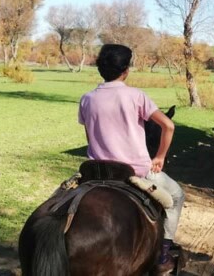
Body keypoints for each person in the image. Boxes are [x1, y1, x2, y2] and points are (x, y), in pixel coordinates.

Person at [78, 44, 185, 274]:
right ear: (125, 70)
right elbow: (168, 125)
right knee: (176, 195)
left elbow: (90, 136)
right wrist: (160, 156)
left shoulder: (86, 99)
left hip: (94, 172)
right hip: (135, 171)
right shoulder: (136, 96)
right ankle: (163, 256)